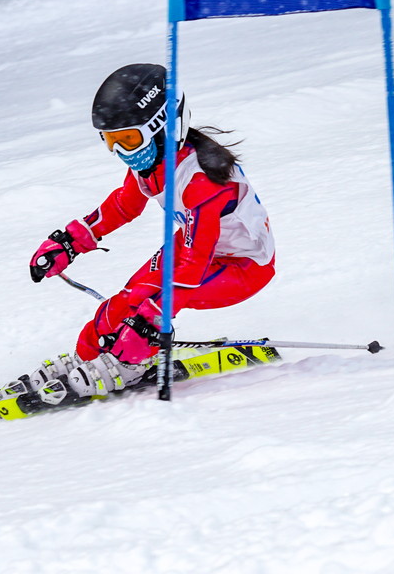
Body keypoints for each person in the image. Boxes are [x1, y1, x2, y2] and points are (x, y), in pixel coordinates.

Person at [28, 63, 276, 395]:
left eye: (128, 139)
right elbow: (122, 205)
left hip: (243, 266)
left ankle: (129, 364)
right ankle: (86, 357)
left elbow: (191, 269)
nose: (119, 152)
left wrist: (149, 323)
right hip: (195, 249)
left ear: (163, 126)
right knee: (126, 299)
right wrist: (70, 242)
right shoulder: (153, 163)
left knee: (154, 303)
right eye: (110, 141)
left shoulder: (201, 180)